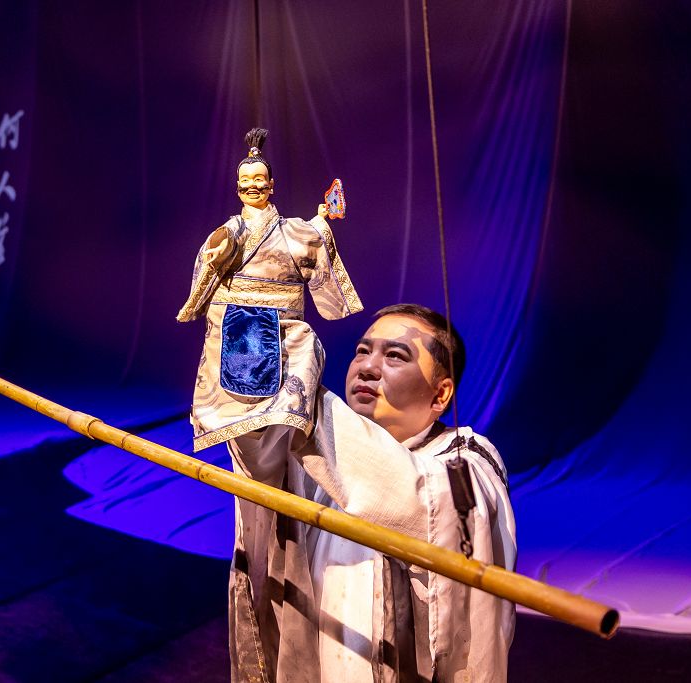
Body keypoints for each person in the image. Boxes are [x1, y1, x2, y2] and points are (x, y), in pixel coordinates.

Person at [225, 304, 516, 682]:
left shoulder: (467, 460)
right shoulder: (317, 461)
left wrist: (296, 396)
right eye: (362, 351)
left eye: (395, 355)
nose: (367, 367)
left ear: (440, 394)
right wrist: (251, 315)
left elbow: (420, 503)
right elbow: (257, 441)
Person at [177, 128, 362, 451]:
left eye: (259, 179)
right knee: (242, 429)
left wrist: (320, 223)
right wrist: (220, 249)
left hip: (282, 325)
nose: (252, 185)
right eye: (245, 180)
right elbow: (225, 241)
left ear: (272, 185)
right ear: (237, 187)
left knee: (306, 353)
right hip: (232, 324)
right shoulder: (231, 229)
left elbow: (309, 239)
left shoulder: (290, 230)